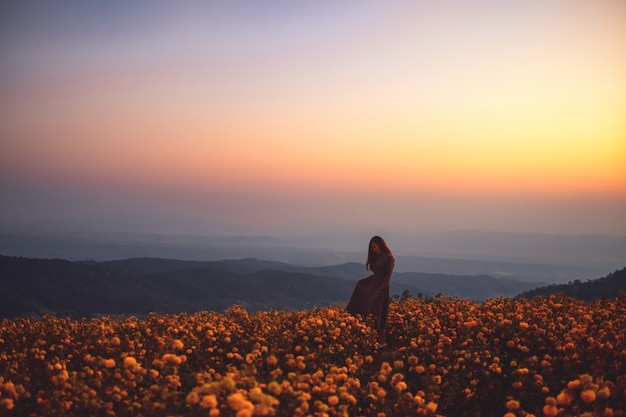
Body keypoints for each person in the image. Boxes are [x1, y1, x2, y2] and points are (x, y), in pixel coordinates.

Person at [346, 235, 395, 349]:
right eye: (372, 248)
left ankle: (382, 341)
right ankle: (374, 340)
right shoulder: (378, 257)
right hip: (373, 286)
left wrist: (381, 290)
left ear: (381, 245)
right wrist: (363, 283)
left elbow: (387, 277)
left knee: (378, 314)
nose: (374, 250)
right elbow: (376, 275)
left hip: (382, 289)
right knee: (371, 312)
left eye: (375, 247)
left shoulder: (389, 258)